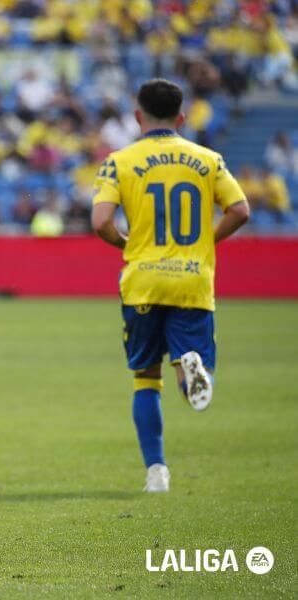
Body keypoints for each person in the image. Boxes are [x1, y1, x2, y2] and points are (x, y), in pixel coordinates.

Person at [91, 79, 250, 493]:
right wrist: (205, 241)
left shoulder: (119, 161)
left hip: (143, 279)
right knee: (190, 362)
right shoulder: (208, 160)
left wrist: (124, 243)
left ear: (138, 116)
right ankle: (194, 369)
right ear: (181, 118)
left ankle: (156, 471)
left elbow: (100, 222)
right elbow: (240, 210)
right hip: (193, 279)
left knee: (146, 377)